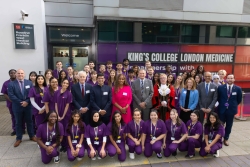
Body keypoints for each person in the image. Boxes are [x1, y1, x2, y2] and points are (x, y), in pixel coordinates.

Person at [8, 69, 37, 147]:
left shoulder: (29, 83)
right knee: (18, 122)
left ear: (24, 74)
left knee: (29, 121)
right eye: (19, 73)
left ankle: (31, 136)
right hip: (17, 106)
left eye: (22, 73)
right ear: (16, 75)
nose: (20, 74)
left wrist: (27, 102)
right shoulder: (11, 84)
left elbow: (31, 94)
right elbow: (11, 95)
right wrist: (21, 102)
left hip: (28, 106)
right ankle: (19, 138)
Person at [217, 74, 242, 146]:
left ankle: (226, 138)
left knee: (229, 125)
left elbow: (239, 100)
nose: (230, 79)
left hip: (231, 110)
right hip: (222, 109)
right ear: (226, 79)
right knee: (220, 125)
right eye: (228, 78)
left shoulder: (238, 89)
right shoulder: (220, 87)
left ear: (234, 79)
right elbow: (218, 98)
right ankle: (219, 138)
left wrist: (232, 105)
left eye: (231, 78)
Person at [55, 78, 72, 152]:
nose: (65, 84)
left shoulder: (69, 93)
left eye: (67, 83)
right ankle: (61, 144)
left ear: (68, 85)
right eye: (64, 83)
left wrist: (62, 116)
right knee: (59, 130)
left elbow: (67, 105)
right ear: (61, 83)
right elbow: (55, 104)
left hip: (66, 115)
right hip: (58, 114)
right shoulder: (56, 92)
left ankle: (66, 145)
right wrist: (57, 115)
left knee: (65, 129)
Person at [1, 69, 18, 136]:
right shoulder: (6, 83)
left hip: (20, 103)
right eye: (11, 73)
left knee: (21, 116)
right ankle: (15, 129)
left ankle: (22, 129)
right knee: (13, 116)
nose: (13, 74)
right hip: (11, 103)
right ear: (9, 74)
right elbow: (4, 93)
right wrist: (11, 100)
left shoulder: (19, 82)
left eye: (14, 73)